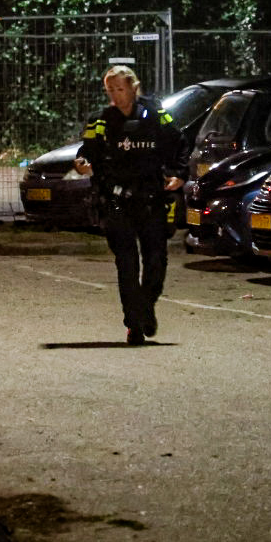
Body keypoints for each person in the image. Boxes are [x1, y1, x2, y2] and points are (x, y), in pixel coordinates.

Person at [73, 64, 186, 345]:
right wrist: (82, 163)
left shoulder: (156, 115)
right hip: (116, 200)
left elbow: (179, 144)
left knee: (156, 262)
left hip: (151, 199)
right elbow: (86, 152)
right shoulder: (100, 120)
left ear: (134, 88)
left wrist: (178, 175)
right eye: (109, 90)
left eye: (119, 89)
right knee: (126, 263)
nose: (115, 95)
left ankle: (146, 306)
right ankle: (134, 323)